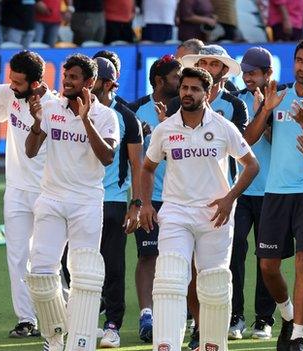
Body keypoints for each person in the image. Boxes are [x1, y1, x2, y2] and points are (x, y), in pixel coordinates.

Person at [141, 66, 259, 351]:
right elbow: (147, 168)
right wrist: (144, 203)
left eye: (195, 89)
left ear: (207, 94)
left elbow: (251, 165)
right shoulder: (165, 128)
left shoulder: (221, 126)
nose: (188, 93)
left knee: (213, 284)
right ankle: (166, 344)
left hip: (214, 215)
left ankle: (212, 344)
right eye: (184, 88)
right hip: (176, 213)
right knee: (170, 278)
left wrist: (230, 198)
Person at [24, 53, 119, 351]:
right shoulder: (49, 107)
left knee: (84, 275)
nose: (66, 81)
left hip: (86, 202)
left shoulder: (106, 116)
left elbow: (107, 157)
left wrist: (85, 119)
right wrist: (37, 123)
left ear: (89, 82)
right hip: (51, 198)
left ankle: (80, 340)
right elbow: (30, 150)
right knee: (40, 271)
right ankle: (53, 338)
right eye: (65, 75)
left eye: (73, 77)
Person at [0, 50, 56, 338]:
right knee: (17, 256)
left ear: (35, 83)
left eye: (17, 82)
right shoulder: (11, 93)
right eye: (10, 79)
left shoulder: (54, 106)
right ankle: (26, 319)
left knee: (46, 259)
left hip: (47, 191)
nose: (11, 85)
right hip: (16, 190)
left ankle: (57, 314)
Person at [245, 39, 303, 351]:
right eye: (299, 60)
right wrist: (265, 110)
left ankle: (297, 335)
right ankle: (286, 314)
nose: (302, 67)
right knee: (268, 267)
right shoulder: (279, 94)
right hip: (275, 192)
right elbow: (249, 138)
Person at [127, 54, 182, 344]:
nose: (181, 83)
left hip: (183, 199)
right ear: (160, 80)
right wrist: (138, 201)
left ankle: (181, 313)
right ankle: (147, 315)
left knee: (184, 259)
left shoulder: (190, 109)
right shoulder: (134, 112)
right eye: (176, 77)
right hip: (151, 198)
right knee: (148, 255)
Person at [227, 46, 280, 340]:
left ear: (267, 73)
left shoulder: (280, 99)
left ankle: (263, 318)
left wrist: (267, 110)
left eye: (253, 72)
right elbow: (245, 141)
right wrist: (260, 111)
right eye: (245, 72)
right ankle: (236, 316)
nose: (247, 77)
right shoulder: (237, 102)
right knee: (234, 251)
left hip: (271, 189)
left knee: (266, 258)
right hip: (241, 189)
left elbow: (273, 140)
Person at [92, 57, 143, 348]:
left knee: (113, 266)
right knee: (69, 262)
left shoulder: (126, 116)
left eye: (95, 78)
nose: (89, 83)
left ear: (109, 83)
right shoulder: (72, 109)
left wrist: (135, 204)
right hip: (77, 198)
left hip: (111, 199)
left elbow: (137, 164)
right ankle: (85, 317)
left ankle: (112, 324)